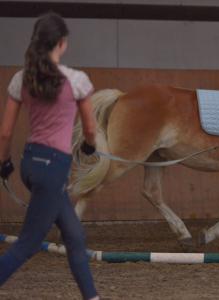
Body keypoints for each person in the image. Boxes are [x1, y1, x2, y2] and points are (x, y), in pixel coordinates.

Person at [0, 13, 99, 300]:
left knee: (75, 237)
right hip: (54, 167)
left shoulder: (21, 78)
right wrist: (90, 146)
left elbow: (5, 133)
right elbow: (90, 128)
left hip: (30, 164)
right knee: (28, 244)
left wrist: (3, 162)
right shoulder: (77, 80)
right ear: (62, 43)